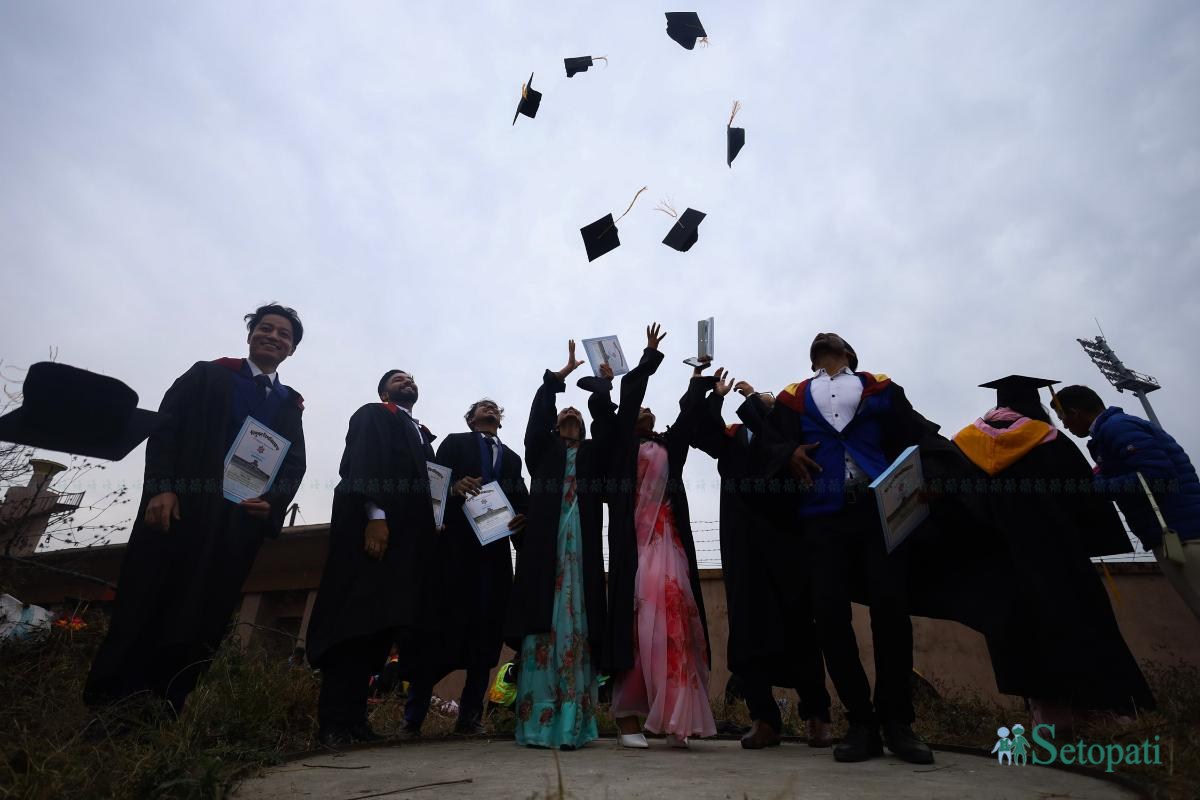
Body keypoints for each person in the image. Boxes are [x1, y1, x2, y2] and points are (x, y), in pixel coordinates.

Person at [84, 304, 307, 715]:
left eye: (284, 335)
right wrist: (162, 489)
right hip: (182, 509)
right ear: (250, 335)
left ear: (291, 349)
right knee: (149, 599)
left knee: (205, 612)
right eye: (266, 328)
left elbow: (294, 464)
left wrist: (271, 503)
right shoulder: (209, 375)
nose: (274, 337)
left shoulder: (289, 405)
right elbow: (166, 429)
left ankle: (168, 704)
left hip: (235, 524)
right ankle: (111, 705)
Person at [762, 332, 933, 764]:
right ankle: (861, 722)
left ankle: (897, 722)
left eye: (833, 337)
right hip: (823, 517)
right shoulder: (793, 396)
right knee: (831, 617)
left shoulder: (881, 386)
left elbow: (914, 433)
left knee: (891, 611)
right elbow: (770, 441)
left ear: (850, 353)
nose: (823, 335)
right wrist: (788, 454)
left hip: (879, 511)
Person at [952, 375, 1155, 732]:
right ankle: (1112, 711)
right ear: (1034, 404)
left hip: (1002, 559)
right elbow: (1083, 496)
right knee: (1080, 621)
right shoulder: (1050, 440)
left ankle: (1048, 717)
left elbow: (958, 501)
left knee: (1021, 629)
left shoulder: (966, 444)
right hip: (1058, 555)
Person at [689, 370, 831, 749]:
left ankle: (817, 716)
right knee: (748, 634)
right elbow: (701, 431)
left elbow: (775, 438)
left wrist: (755, 399)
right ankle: (764, 719)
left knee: (800, 630)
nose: (762, 401)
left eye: (769, 400)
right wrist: (715, 396)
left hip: (786, 544)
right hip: (743, 547)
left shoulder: (788, 435)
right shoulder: (733, 441)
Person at [597, 323, 716, 749]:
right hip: (636, 549)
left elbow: (688, 419)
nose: (648, 413)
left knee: (676, 624)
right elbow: (628, 401)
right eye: (642, 412)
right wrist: (648, 358)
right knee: (637, 625)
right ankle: (628, 717)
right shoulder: (621, 448)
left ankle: (674, 716)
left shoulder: (668, 447)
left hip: (672, 547)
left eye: (652, 411)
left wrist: (699, 379)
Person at [305, 369, 438, 746]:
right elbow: (365, 464)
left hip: (404, 547)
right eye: (398, 378)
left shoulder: (421, 435)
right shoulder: (375, 415)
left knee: (379, 632)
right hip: (372, 536)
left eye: (412, 378)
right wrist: (375, 517)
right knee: (353, 627)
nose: (407, 381)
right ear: (383, 391)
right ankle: (333, 723)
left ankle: (356, 721)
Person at [505, 340, 612, 750]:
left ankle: (574, 723)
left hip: (579, 557)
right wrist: (559, 379)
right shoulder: (543, 453)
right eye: (564, 413)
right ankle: (537, 722)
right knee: (541, 628)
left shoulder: (591, 456)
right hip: (544, 557)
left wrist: (600, 390)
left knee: (578, 626)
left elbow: (607, 431)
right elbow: (536, 420)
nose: (570, 414)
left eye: (575, 414)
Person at [404, 397, 529, 736]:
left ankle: (469, 718)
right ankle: (412, 718)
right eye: (481, 407)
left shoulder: (513, 458)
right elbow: (433, 482)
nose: (489, 410)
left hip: (495, 554)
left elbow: (520, 500)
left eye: (494, 408)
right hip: (455, 550)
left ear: (500, 420)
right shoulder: (454, 442)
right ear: (471, 417)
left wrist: (523, 520)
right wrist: (454, 486)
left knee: (486, 634)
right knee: (439, 628)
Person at [1054, 384, 1200, 619]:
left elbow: (1156, 475)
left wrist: (1094, 489)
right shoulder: (1110, 432)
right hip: (1175, 533)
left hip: (1184, 537)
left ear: (1075, 412)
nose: (1065, 425)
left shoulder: (1117, 428)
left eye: (1063, 418)